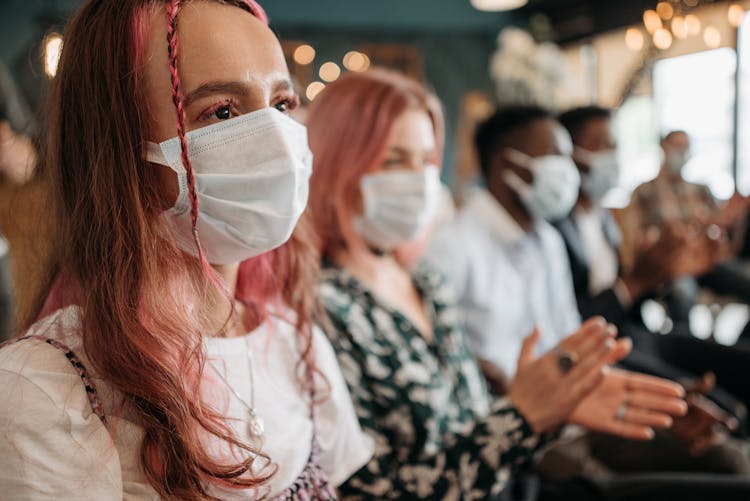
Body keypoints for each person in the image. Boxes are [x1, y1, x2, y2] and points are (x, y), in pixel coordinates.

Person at [0, 0, 373, 498]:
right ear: (120, 148)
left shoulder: (299, 347)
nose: (277, 141)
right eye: (221, 111)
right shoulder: (46, 389)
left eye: (283, 105)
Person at [306, 69, 688, 500]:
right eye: (395, 160)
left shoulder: (423, 280)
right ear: (337, 162)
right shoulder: (322, 309)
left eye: (425, 160)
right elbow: (373, 492)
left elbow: (476, 423)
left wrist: (553, 410)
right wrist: (526, 416)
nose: (418, 180)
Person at [554, 105, 750, 472]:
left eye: (615, 144)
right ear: (570, 154)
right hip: (606, 346)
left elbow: (631, 289)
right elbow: (567, 321)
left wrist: (660, 271)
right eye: (601, 145)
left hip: (636, 331)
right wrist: (642, 279)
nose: (611, 155)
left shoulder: (601, 220)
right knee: (727, 410)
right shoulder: (556, 232)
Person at [631, 130, 750, 326]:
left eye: (685, 148)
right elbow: (638, 238)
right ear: (664, 148)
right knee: (682, 295)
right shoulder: (645, 191)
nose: (681, 152)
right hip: (673, 266)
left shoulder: (701, 189)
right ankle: (684, 348)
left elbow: (719, 229)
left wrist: (731, 222)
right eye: (677, 146)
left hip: (707, 263)